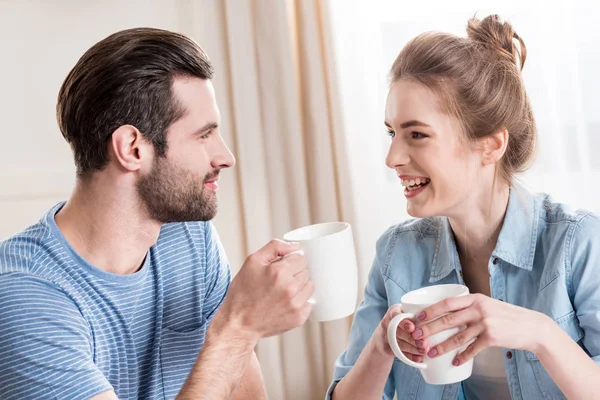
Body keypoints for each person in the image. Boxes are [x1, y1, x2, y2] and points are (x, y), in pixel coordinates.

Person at [0, 28, 314, 400]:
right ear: (132, 148)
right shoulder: (24, 295)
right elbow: (231, 342)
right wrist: (239, 327)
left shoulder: (189, 238)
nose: (225, 157)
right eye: (204, 135)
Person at [328, 14, 600, 400]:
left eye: (417, 134)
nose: (392, 158)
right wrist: (381, 347)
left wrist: (542, 334)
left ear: (490, 145)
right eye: (392, 133)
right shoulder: (396, 254)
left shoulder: (579, 243)